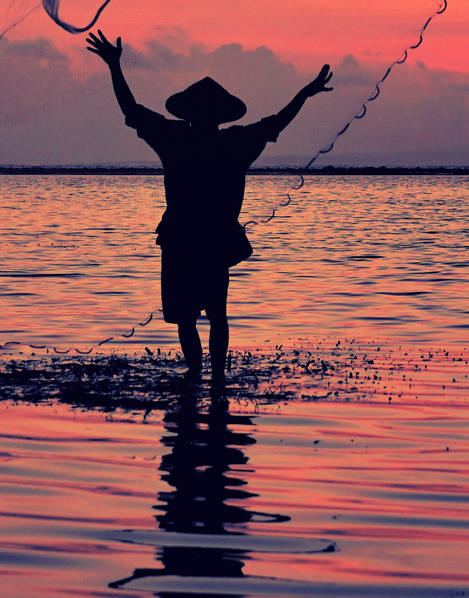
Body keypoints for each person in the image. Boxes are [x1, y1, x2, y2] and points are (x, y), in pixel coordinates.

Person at [84, 30, 333, 381]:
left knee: (188, 317)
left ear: (190, 114)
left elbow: (132, 111)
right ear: (220, 115)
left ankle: (196, 375)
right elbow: (277, 122)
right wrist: (304, 94)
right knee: (217, 313)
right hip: (213, 239)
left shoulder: (176, 137)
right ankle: (215, 379)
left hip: (183, 238)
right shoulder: (234, 141)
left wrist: (115, 66)